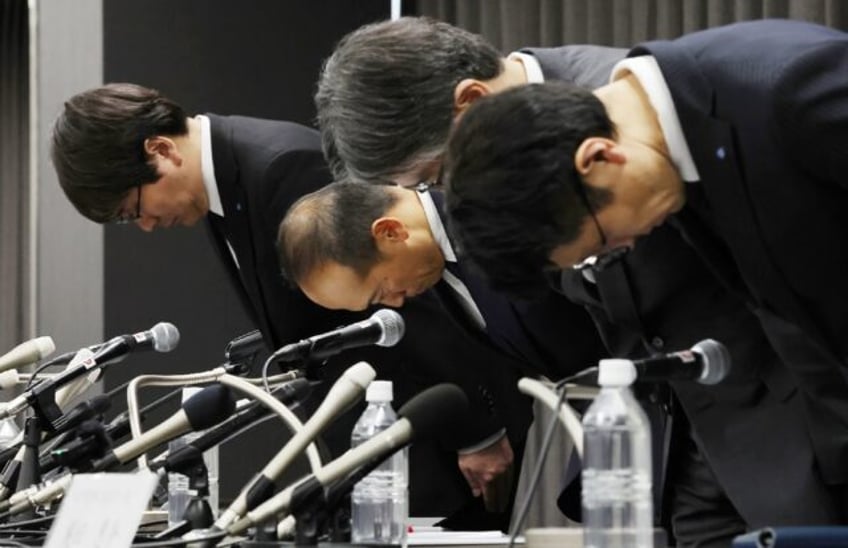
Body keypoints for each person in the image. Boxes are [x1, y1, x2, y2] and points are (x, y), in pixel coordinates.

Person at [315, 16, 844, 544]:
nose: (444, 197)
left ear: (471, 101)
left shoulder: (647, 109)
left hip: (795, 417)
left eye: (433, 176)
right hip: (692, 439)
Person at [49, 83, 536, 525]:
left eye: (135, 209)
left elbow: (412, 292)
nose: (148, 226)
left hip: (432, 441)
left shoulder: (283, 166)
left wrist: (477, 430)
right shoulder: (230, 184)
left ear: (161, 150)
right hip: (376, 451)